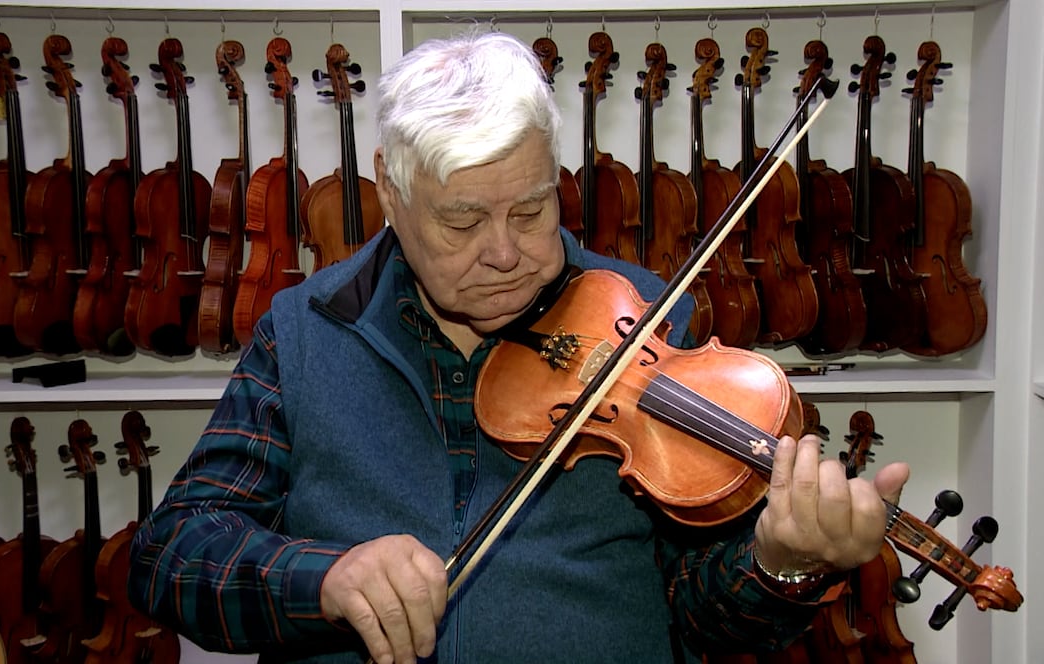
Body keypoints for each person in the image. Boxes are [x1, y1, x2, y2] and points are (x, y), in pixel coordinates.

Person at [128, 29, 909, 664]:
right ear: (391, 196)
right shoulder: (303, 329)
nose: (505, 254)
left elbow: (703, 621)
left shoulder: (646, 322)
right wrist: (323, 578)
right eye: (462, 223)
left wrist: (781, 564)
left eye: (532, 211)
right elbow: (170, 556)